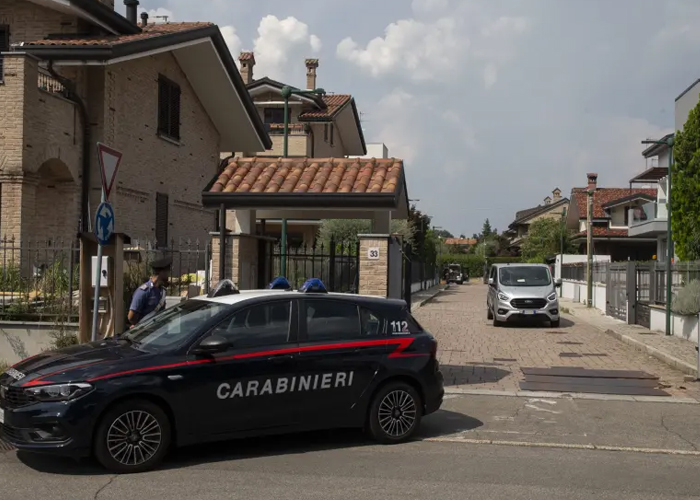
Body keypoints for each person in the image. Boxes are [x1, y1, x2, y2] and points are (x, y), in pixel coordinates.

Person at [127, 256, 172, 327]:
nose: (169, 275)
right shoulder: (143, 291)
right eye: (167, 271)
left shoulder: (161, 290)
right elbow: (131, 317)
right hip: (146, 333)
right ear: (161, 272)